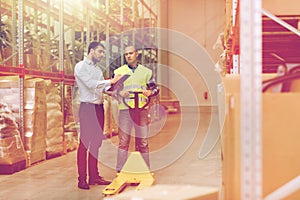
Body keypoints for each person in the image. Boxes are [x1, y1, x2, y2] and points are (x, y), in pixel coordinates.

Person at [74, 41, 121, 190]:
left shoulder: (97, 70)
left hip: (98, 108)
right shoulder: (80, 66)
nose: (101, 55)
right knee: (84, 144)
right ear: (92, 51)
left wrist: (115, 90)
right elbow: (90, 84)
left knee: (96, 143)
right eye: (100, 52)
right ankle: (82, 179)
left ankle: (94, 176)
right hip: (87, 109)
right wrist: (110, 81)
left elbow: (102, 88)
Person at [114, 46, 159, 173]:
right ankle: (120, 170)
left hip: (141, 110)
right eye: (126, 54)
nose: (128, 56)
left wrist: (150, 92)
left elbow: (155, 89)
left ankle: (145, 169)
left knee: (143, 141)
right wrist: (120, 93)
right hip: (125, 110)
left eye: (131, 53)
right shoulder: (119, 71)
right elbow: (114, 90)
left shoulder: (146, 72)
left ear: (136, 54)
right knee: (123, 141)